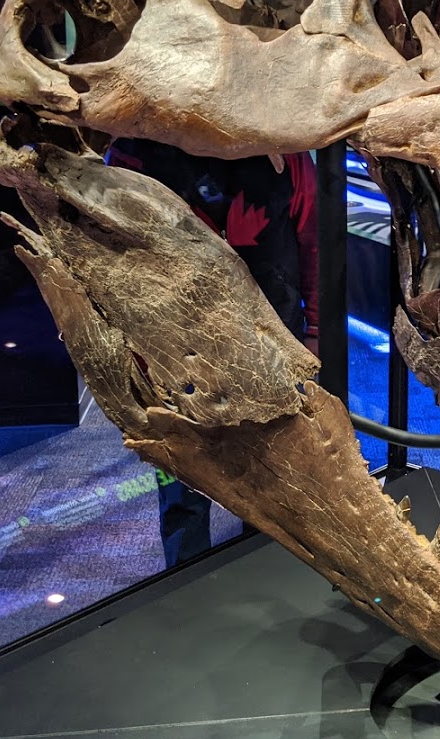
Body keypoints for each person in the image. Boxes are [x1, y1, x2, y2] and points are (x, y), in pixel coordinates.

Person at [107, 140, 319, 568]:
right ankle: (187, 580)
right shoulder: (133, 152)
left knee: (273, 475)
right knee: (184, 480)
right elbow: (118, 261)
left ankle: (268, 567)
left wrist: (315, 330)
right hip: (176, 352)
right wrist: (137, 354)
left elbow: (314, 242)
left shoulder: (283, 149)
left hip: (270, 346)